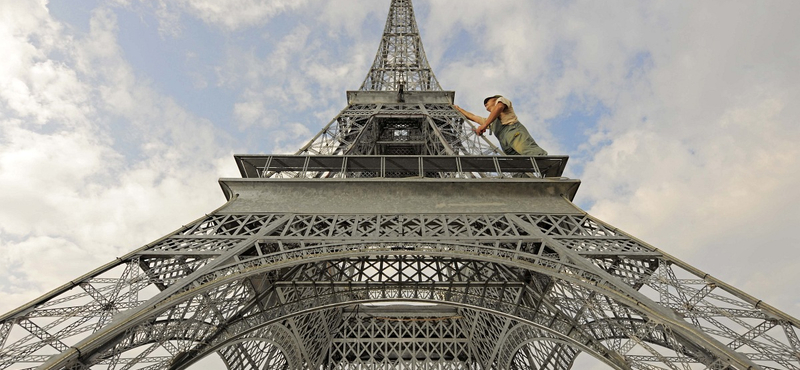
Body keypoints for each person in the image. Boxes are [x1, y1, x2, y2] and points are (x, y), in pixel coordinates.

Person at [455, 95, 547, 156]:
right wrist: (459, 109)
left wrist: (485, 125)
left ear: (495, 100)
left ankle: (546, 163)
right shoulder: (491, 121)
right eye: (484, 105)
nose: (485, 105)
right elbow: (473, 117)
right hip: (505, 143)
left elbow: (499, 107)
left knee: (527, 150)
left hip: (514, 132)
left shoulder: (501, 100)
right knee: (516, 165)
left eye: (488, 102)